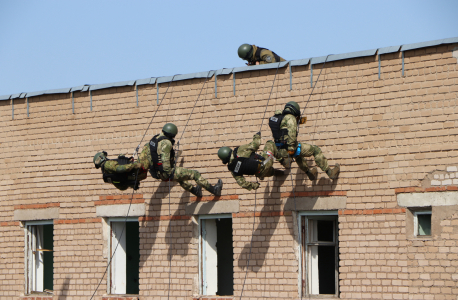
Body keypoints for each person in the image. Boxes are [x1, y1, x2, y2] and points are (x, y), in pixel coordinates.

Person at [141, 123, 222, 197]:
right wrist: (170, 173)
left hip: (156, 173)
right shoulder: (166, 143)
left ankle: (195, 191)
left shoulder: (153, 141)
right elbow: (165, 162)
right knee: (195, 174)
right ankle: (214, 190)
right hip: (165, 173)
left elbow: (146, 160)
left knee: (181, 177)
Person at [267, 101, 340, 180]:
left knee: (298, 156)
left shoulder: (279, 119)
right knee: (316, 150)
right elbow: (291, 133)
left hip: (280, 150)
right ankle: (330, 173)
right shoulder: (290, 118)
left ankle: (309, 173)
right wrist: (291, 148)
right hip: (289, 149)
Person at [217, 132, 284, 191]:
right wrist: (257, 136)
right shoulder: (239, 151)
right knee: (270, 143)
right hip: (266, 162)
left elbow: (242, 183)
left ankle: (276, 172)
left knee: (270, 171)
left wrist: (254, 186)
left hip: (260, 173)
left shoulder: (233, 169)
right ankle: (283, 160)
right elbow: (255, 145)